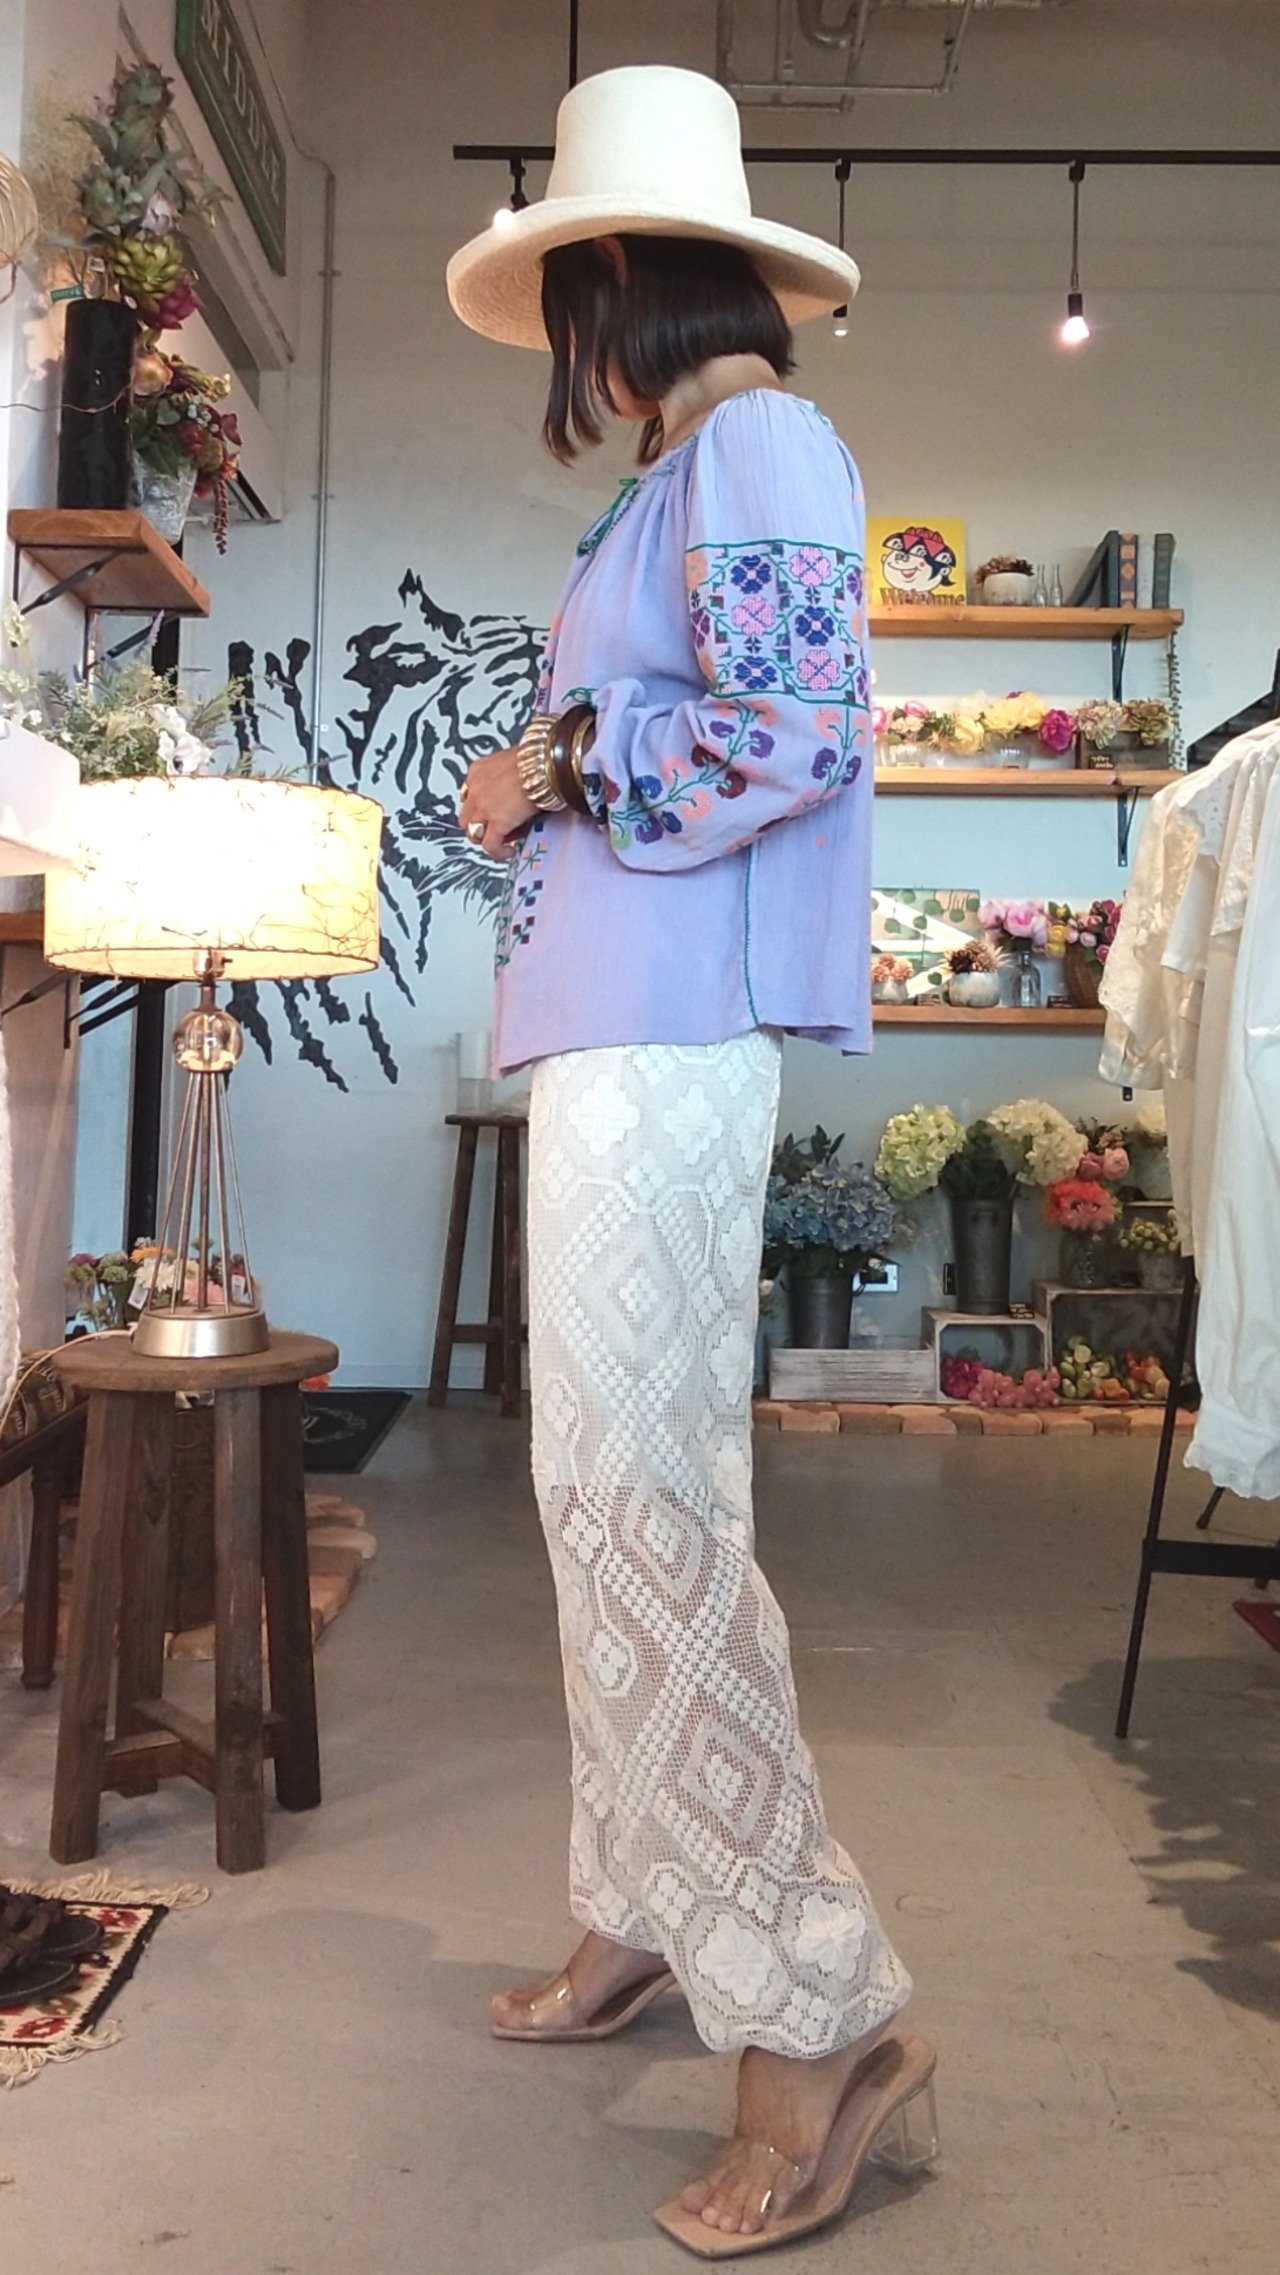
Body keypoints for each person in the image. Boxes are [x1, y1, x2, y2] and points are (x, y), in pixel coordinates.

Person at [446, 64, 935, 2258]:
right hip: (614, 1029)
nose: (565, 344)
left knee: (648, 1502)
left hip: (667, 1037)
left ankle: (815, 2010)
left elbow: (792, 732)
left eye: (575, 297)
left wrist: (556, 759)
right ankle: (647, 1898)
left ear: (622, 286)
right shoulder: (684, 471)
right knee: (599, 1495)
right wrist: (548, 764)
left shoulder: (758, 444)